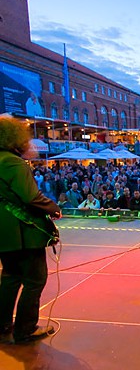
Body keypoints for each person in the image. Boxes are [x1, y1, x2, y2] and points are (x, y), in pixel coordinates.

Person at [0, 115, 60, 344]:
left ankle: (2, 323)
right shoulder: (13, 162)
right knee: (35, 279)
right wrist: (53, 208)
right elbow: (30, 196)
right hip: (22, 231)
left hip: (3, 233)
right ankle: (25, 329)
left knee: (10, 277)